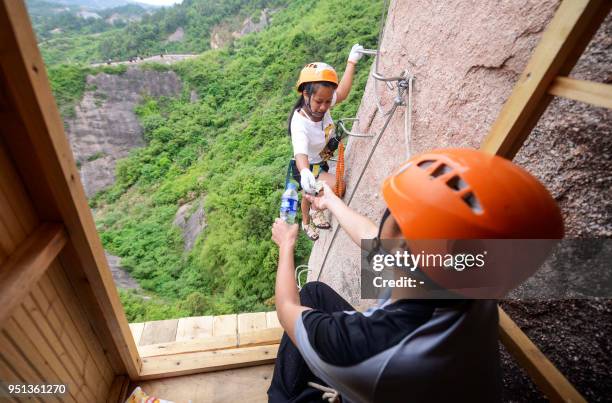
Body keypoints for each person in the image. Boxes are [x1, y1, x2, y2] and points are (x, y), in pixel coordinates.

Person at [268, 148, 564, 402]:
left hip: (383, 371)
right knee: (314, 292)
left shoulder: (360, 348)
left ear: (399, 240)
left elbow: (286, 310)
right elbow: (375, 238)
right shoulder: (469, 280)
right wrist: (331, 201)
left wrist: (286, 246)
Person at [288, 44, 365, 241]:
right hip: (307, 165)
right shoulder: (299, 123)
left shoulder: (325, 100)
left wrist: (351, 62)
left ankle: (312, 212)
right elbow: (300, 152)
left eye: (328, 101)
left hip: (321, 158)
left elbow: (344, 92)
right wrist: (305, 171)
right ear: (305, 94)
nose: (324, 107)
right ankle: (307, 220)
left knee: (312, 190)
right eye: (319, 101)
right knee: (334, 188)